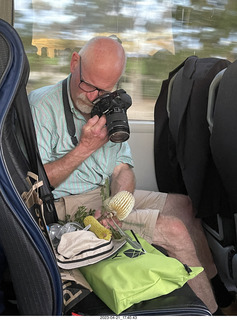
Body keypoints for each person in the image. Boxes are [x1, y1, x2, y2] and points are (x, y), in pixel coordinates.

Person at [28, 36, 235, 315]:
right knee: (174, 231)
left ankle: (218, 292)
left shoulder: (108, 105)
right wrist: (85, 148)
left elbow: (123, 169)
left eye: (105, 89)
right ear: (74, 62)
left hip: (105, 197)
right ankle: (210, 312)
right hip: (69, 207)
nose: (93, 97)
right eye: (88, 85)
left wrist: (122, 196)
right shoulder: (41, 107)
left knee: (186, 206)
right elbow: (38, 185)